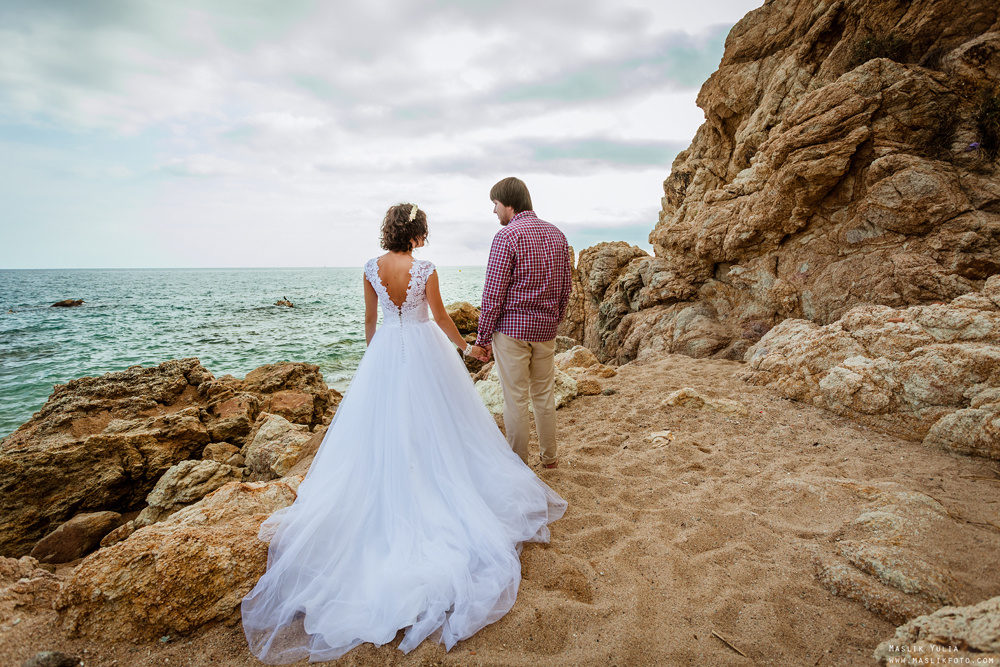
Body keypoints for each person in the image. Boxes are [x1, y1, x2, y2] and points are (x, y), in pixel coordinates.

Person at [241, 203, 566, 663]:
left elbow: (370, 322)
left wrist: (378, 359)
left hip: (385, 354)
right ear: (417, 232)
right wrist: (468, 348)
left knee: (383, 433)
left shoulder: (371, 267)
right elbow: (437, 317)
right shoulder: (425, 269)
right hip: (422, 348)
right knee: (441, 427)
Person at [475, 177, 573, 469]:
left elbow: (493, 293)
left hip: (513, 333)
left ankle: (518, 465)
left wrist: (482, 339)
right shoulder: (557, 235)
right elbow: (566, 288)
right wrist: (554, 321)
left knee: (515, 400)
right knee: (543, 396)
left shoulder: (506, 237)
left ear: (509, 204)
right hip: (545, 331)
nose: (494, 212)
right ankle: (550, 459)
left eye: (495, 204)